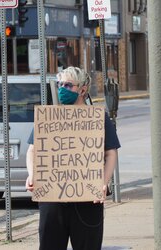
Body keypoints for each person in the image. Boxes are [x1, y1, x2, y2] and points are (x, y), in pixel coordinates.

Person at [25, 66, 121, 250]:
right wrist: (32, 174)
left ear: (83, 89)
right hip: (52, 200)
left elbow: (110, 153)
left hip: (87, 201)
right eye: (60, 84)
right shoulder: (50, 117)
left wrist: (104, 182)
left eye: (68, 85)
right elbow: (32, 150)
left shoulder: (98, 118)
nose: (62, 89)